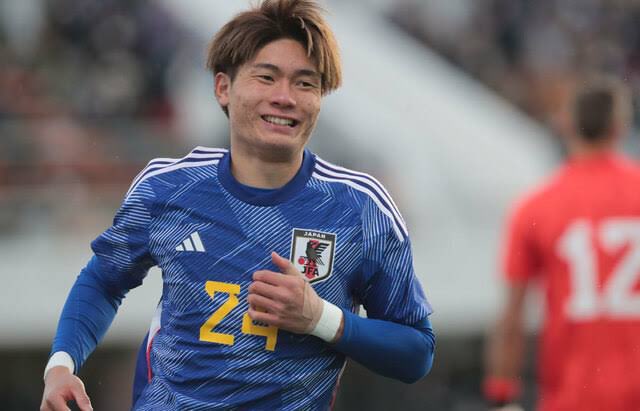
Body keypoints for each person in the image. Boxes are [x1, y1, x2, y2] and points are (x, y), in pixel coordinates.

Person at [40, 1, 436, 410]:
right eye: (267, 77)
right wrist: (61, 365)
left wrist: (320, 318)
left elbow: (417, 351)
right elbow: (104, 280)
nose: (284, 97)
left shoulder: (360, 210)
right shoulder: (168, 189)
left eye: (305, 83)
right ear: (223, 88)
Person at [483, 74, 640, 411]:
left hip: (573, 396)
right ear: (619, 127)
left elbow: (512, 316)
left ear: (567, 125)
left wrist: (501, 393)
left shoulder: (535, 206)